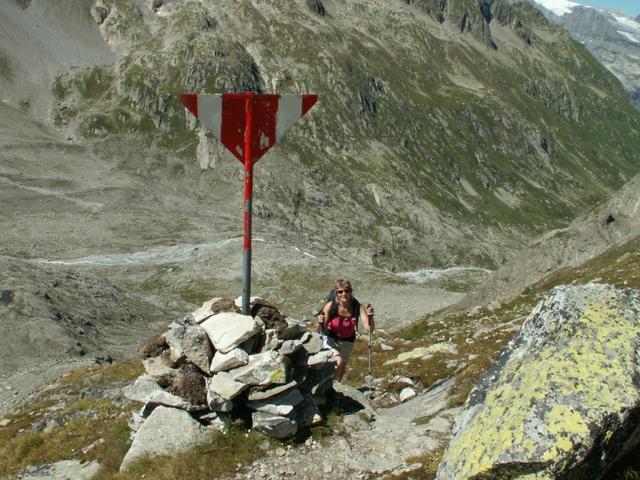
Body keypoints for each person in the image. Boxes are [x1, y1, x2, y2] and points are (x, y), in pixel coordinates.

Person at [317, 279, 374, 381]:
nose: (344, 294)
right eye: (340, 291)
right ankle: (330, 389)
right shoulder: (331, 305)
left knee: (342, 367)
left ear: (351, 291)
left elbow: (369, 328)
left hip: (348, 340)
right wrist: (320, 321)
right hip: (331, 337)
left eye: (346, 291)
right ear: (336, 293)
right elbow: (322, 326)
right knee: (338, 361)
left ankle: (336, 387)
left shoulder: (357, 307)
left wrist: (371, 317)